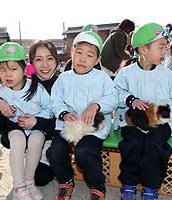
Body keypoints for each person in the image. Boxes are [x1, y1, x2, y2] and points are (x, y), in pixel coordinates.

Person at [0, 40, 60, 187]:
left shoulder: (62, 85)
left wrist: (37, 122)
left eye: (50, 58)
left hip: (44, 134)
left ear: (57, 61)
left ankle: (33, 156)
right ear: (30, 64)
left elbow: (60, 123)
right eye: (38, 59)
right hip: (15, 131)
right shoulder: (20, 78)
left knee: (41, 178)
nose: (45, 65)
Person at [47, 31, 118, 200]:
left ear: (97, 60)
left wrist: (96, 105)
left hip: (92, 128)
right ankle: (65, 181)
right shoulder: (63, 79)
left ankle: (97, 184)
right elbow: (55, 100)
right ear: (72, 53)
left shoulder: (102, 78)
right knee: (54, 151)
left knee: (84, 151)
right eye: (79, 53)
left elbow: (113, 99)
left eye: (89, 55)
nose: (82, 59)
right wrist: (63, 113)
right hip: (68, 126)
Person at [114, 23, 172, 200]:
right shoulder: (126, 73)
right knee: (133, 144)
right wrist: (131, 100)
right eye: (160, 47)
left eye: (165, 47)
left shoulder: (165, 74)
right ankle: (128, 185)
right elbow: (116, 91)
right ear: (143, 50)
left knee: (154, 144)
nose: (164, 52)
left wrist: (163, 108)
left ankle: (150, 187)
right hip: (134, 120)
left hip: (160, 119)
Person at [0, 42, 54, 199]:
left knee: (37, 140)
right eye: (2, 70)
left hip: (36, 126)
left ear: (25, 70)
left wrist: (37, 121)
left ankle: (29, 181)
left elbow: (49, 109)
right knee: (18, 141)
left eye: (14, 69)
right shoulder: (0, 90)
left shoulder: (36, 88)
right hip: (15, 127)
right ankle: (19, 187)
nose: (8, 74)